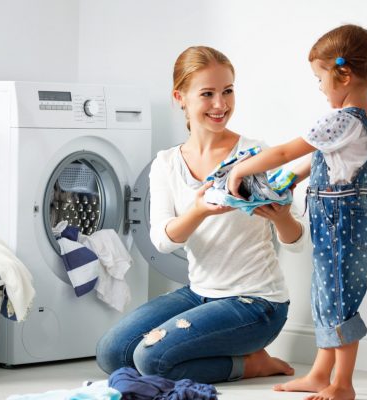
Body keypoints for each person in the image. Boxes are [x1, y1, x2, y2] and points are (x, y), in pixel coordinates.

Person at [96, 45, 306, 384]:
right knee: (112, 353)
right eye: (207, 94)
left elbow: (296, 243)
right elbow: (163, 240)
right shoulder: (167, 163)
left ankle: (252, 364)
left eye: (227, 91)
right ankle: (226, 354)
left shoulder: (254, 155)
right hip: (200, 292)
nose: (220, 105)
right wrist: (198, 211)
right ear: (180, 97)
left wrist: (280, 217)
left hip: (257, 304)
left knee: (149, 359)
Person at [227, 24, 367, 400]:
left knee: (339, 300)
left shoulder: (342, 119)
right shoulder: (356, 119)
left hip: (342, 224)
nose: (320, 88)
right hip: (338, 220)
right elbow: (318, 161)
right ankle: (320, 374)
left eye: (319, 79)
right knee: (325, 296)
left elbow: (284, 152)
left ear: (342, 73)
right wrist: (293, 178)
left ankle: (343, 384)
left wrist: (240, 169)